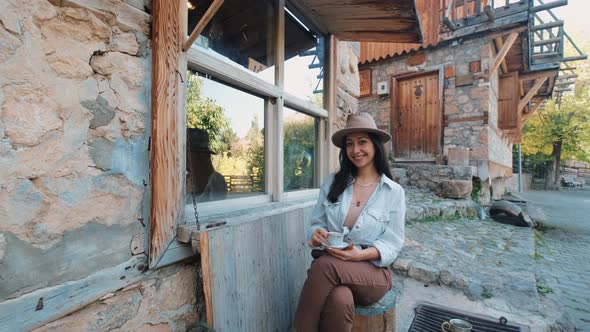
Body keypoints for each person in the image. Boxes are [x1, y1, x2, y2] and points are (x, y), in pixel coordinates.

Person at [294, 113, 406, 332]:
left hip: (372, 273)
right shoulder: (333, 183)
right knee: (340, 298)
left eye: (362, 141)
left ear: (375, 145)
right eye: (349, 144)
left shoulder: (393, 192)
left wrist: (360, 255)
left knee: (324, 266)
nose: (355, 150)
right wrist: (316, 233)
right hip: (335, 267)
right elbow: (317, 223)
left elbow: (393, 244)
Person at [186, 128, 228, 202]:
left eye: (187, 156)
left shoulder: (216, 181)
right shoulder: (187, 179)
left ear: (201, 156)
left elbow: (216, 210)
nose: (185, 161)